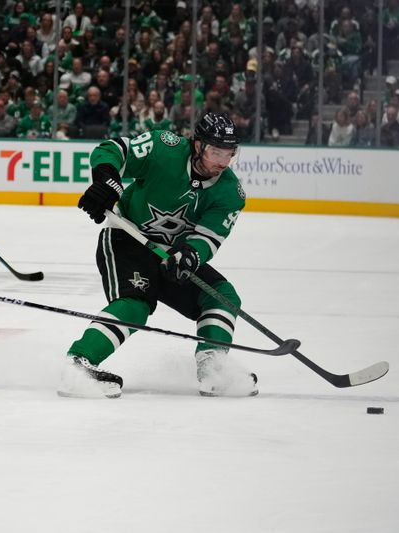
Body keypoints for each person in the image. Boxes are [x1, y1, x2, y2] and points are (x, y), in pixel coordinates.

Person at [60, 112, 257, 399]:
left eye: (229, 154)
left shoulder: (230, 193)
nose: (222, 162)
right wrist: (107, 180)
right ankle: (78, 363)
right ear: (198, 145)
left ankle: (213, 368)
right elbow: (112, 150)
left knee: (222, 296)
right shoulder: (163, 147)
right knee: (136, 302)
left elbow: (209, 237)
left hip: (170, 255)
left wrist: (190, 255)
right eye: (216, 152)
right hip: (126, 238)